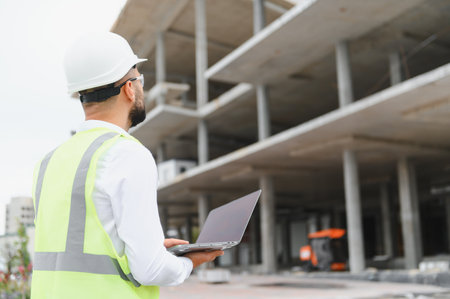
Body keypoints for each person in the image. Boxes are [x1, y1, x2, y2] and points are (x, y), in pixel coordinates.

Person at [30, 32, 223, 299]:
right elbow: (150, 269)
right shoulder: (126, 154)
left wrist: (146, 249)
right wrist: (190, 261)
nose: (141, 87)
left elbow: (72, 251)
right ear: (129, 89)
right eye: (139, 79)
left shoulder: (47, 162)